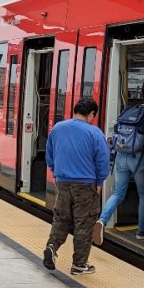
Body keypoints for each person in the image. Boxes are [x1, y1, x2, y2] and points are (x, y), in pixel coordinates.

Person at [42, 97, 109, 275]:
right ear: (91, 114)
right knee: (84, 223)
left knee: (61, 219)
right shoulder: (95, 133)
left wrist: (57, 171)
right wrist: (99, 181)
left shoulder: (58, 128)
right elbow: (103, 160)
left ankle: (51, 247)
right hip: (86, 185)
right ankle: (79, 263)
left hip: (62, 182)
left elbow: (49, 154)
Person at [94, 82, 144, 244]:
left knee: (118, 193)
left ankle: (102, 220)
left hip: (121, 155)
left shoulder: (130, 110)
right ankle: (142, 231)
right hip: (140, 158)